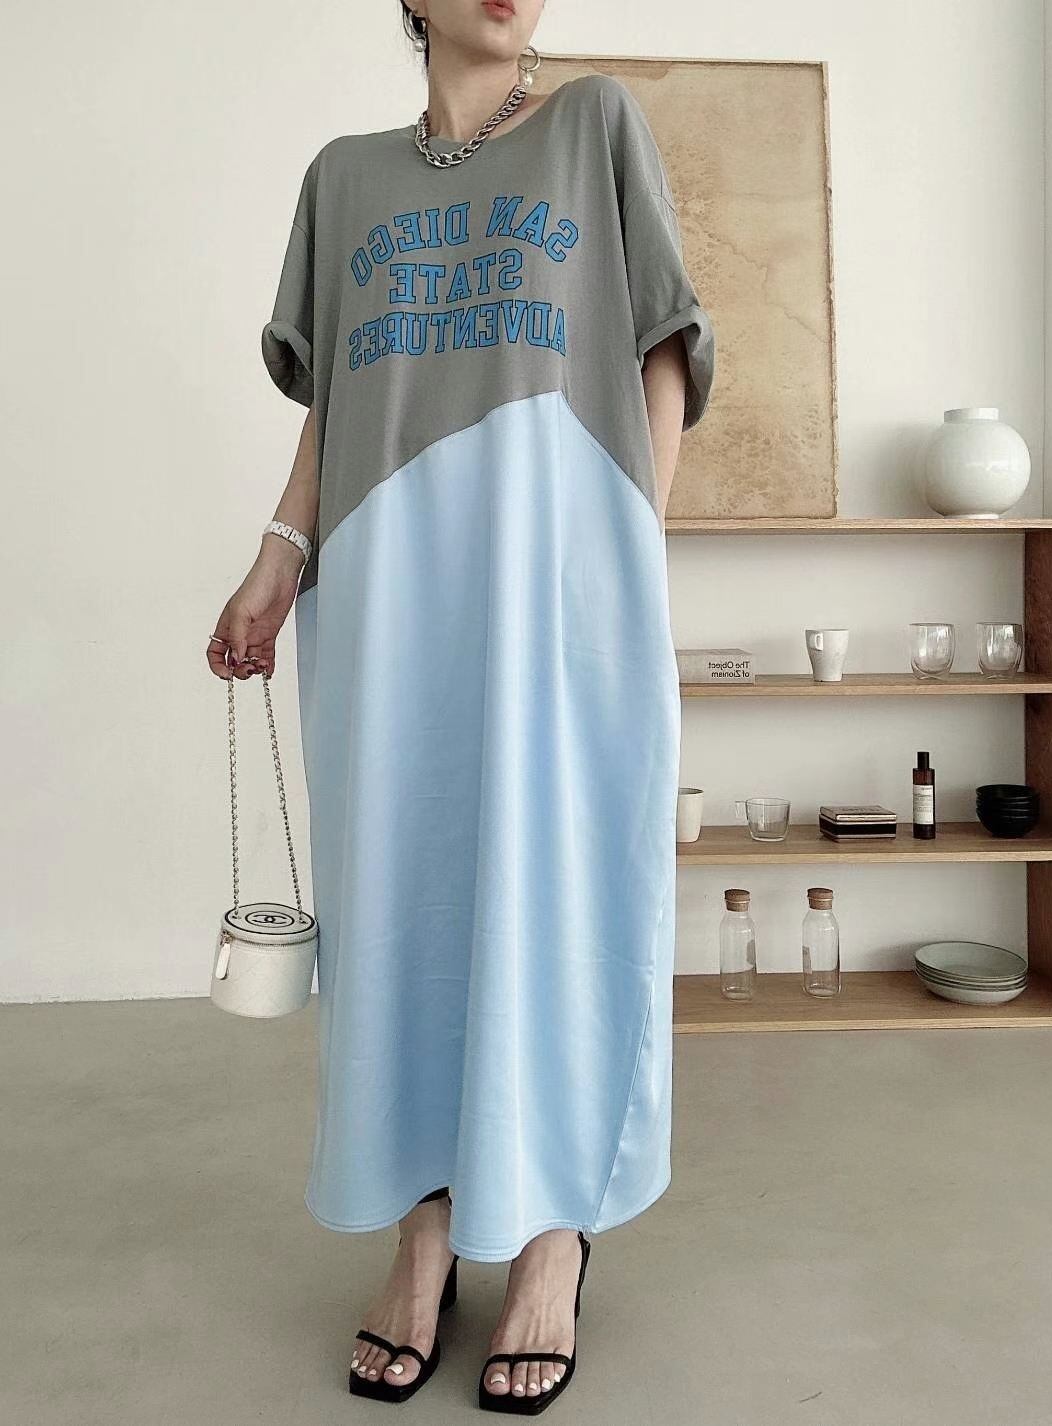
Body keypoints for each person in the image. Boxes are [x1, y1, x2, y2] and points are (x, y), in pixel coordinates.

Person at [207, 0, 715, 1411]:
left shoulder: (594, 125)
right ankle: (423, 1228)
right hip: (387, 588)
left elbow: (663, 349)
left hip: (556, 588)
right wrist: (278, 557)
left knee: (562, 890)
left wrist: (625, 558)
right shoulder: (345, 180)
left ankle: (551, 1232)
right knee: (403, 904)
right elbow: (333, 400)